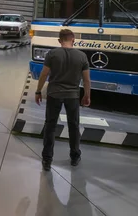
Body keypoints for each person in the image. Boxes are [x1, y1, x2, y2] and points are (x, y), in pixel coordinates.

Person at [35, 29, 91, 171]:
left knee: (50, 126)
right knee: (74, 126)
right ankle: (74, 156)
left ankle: (47, 159)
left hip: (54, 94)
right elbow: (86, 80)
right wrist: (87, 95)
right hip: (72, 96)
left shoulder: (52, 54)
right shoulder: (82, 56)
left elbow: (44, 74)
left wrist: (38, 91)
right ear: (73, 39)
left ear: (60, 41)